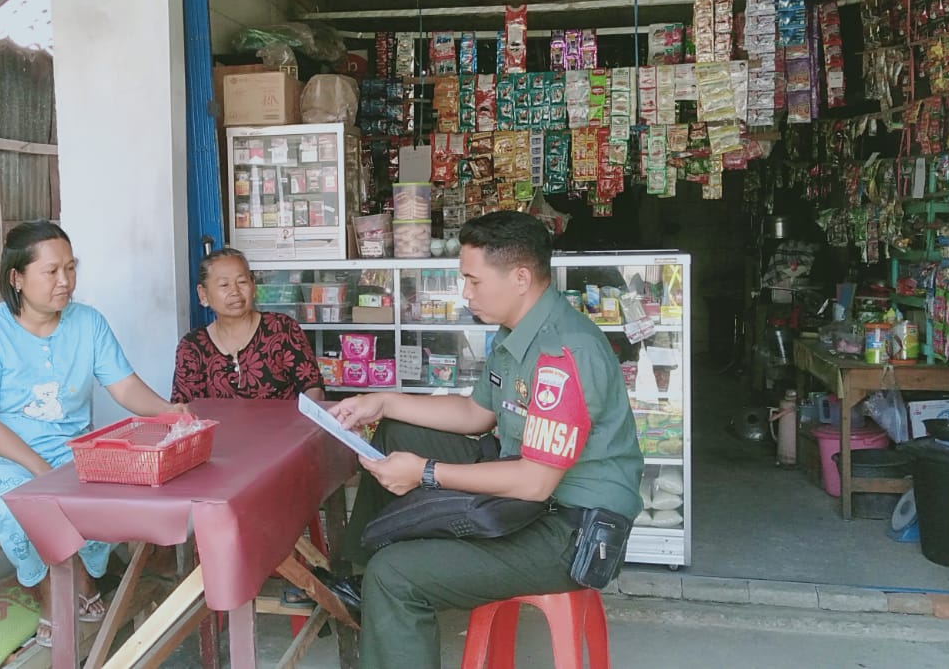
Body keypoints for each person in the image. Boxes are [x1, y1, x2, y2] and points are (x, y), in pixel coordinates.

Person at [330, 210, 645, 669]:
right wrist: (383, 401)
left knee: (395, 576)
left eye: (473, 281)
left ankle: (382, 583)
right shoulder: (516, 332)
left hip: (571, 530)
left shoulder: (563, 353)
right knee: (398, 431)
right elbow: (477, 415)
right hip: (533, 499)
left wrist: (426, 474)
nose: (465, 292)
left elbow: (535, 482)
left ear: (520, 277)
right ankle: (362, 580)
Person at [0, 221, 183, 648]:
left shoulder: (87, 322)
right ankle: (54, 596)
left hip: (66, 450)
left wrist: (169, 412)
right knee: (25, 500)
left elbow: (125, 386)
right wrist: (39, 469)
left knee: (113, 487)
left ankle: (86, 577)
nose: (65, 281)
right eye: (52, 271)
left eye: (71, 269)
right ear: (16, 278)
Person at [171, 247, 325, 403]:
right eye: (224, 285)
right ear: (203, 294)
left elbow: (312, 387)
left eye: (242, 282)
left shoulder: (282, 329)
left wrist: (304, 422)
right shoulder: (192, 347)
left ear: (253, 286)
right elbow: (182, 409)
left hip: (283, 427)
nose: (235, 291)